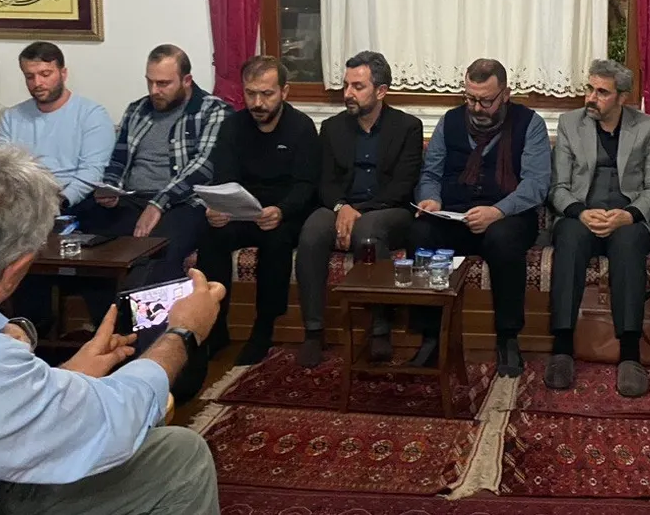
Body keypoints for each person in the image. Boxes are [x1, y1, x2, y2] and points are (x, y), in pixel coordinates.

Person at [0, 142, 224, 515]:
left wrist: (68, 375)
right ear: (16, 267)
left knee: (175, 453)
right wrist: (183, 333)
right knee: (181, 458)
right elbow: (110, 424)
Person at [408, 58, 551, 377]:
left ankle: (508, 338)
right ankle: (431, 336)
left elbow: (536, 184)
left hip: (508, 214)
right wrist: (431, 199)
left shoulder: (530, 124)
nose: (476, 108)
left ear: (505, 95)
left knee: (503, 239)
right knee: (420, 232)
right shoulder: (450, 121)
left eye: (486, 101)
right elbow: (431, 173)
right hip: (455, 213)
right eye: (470, 98)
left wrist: (497, 211)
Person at [75, 44, 231, 327]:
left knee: (158, 251)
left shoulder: (213, 111)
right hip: (131, 198)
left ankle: (145, 334)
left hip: (182, 203)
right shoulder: (137, 110)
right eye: (150, 82)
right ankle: (108, 328)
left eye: (164, 83)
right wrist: (109, 187)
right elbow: (118, 159)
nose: (155, 90)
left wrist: (158, 204)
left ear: (186, 80)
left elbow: (202, 168)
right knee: (88, 241)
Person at [545, 59, 650, 397]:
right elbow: (558, 187)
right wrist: (580, 213)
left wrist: (628, 215)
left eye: (602, 92)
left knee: (629, 243)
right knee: (569, 238)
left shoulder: (648, 127)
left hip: (626, 217)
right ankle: (562, 349)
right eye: (590, 88)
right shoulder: (570, 124)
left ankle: (630, 354)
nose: (591, 97)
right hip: (581, 215)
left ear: (622, 98)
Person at [296, 51, 422, 367]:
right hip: (340, 206)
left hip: (390, 211)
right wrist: (342, 207)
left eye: (358, 86)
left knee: (368, 229)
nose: (348, 94)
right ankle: (313, 331)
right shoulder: (333, 127)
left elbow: (402, 186)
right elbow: (325, 183)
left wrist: (357, 211)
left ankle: (380, 330)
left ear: (381, 91)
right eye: (346, 85)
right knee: (312, 230)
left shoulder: (407, 127)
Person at [196, 55, 321, 367]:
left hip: (284, 212)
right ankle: (215, 326)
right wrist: (217, 208)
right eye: (251, 93)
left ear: (284, 92)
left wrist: (282, 210)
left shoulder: (301, 127)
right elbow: (223, 177)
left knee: (277, 241)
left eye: (267, 94)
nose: (258, 103)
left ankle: (263, 329)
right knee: (211, 235)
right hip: (241, 210)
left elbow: (306, 184)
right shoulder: (232, 126)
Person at [0, 41, 115, 212]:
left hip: (71, 201)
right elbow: (2, 167)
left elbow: (92, 171)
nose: (37, 83)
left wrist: (60, 201)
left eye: (45, 74)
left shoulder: (91, 114)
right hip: (22, 203)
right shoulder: (12, 117)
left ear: (63, 74)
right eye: (30, 77)